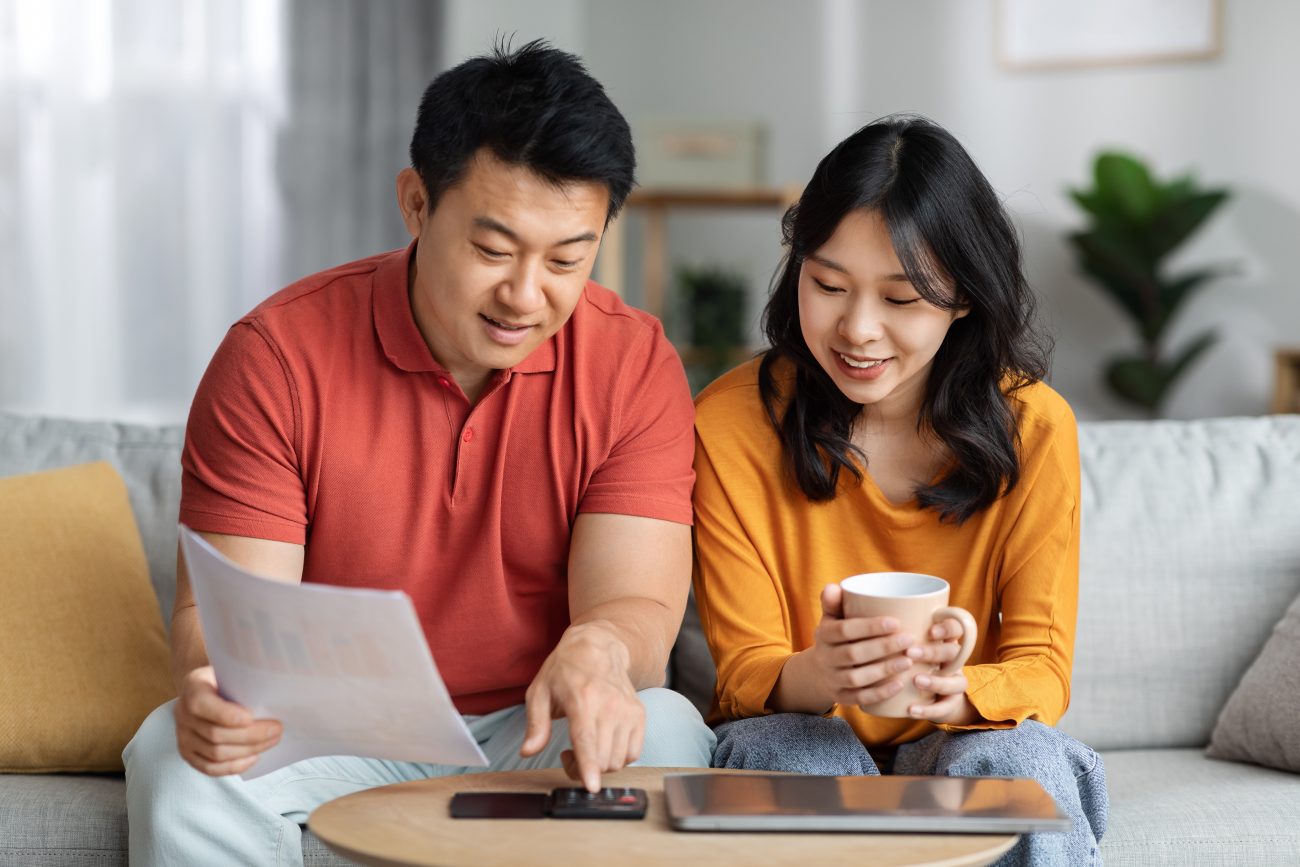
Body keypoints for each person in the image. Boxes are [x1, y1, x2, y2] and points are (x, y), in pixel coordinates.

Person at [124, 40, 715, 866]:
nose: (524, 294)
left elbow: (639, 609)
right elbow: (223, 619)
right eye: (493, 249)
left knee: (672, 726)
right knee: (172, 757)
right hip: (328, 727)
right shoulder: (277, 357)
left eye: (566, 260)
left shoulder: (632, 361)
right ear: (414, 203)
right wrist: (216, 695)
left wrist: (601, 649)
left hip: (533, 724)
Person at [690, 115, 1107, 865]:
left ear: (964, 299)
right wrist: (816, 673)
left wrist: (957, 694)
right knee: (797, 753)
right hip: (798, 736)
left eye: (903, 299)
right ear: (798, 269)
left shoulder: (1036, 428)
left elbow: (1042, 664)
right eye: (828, 284)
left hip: (953, 744)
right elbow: (743, 671)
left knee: (1022, 763)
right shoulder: (728, 422)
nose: (857, 328)